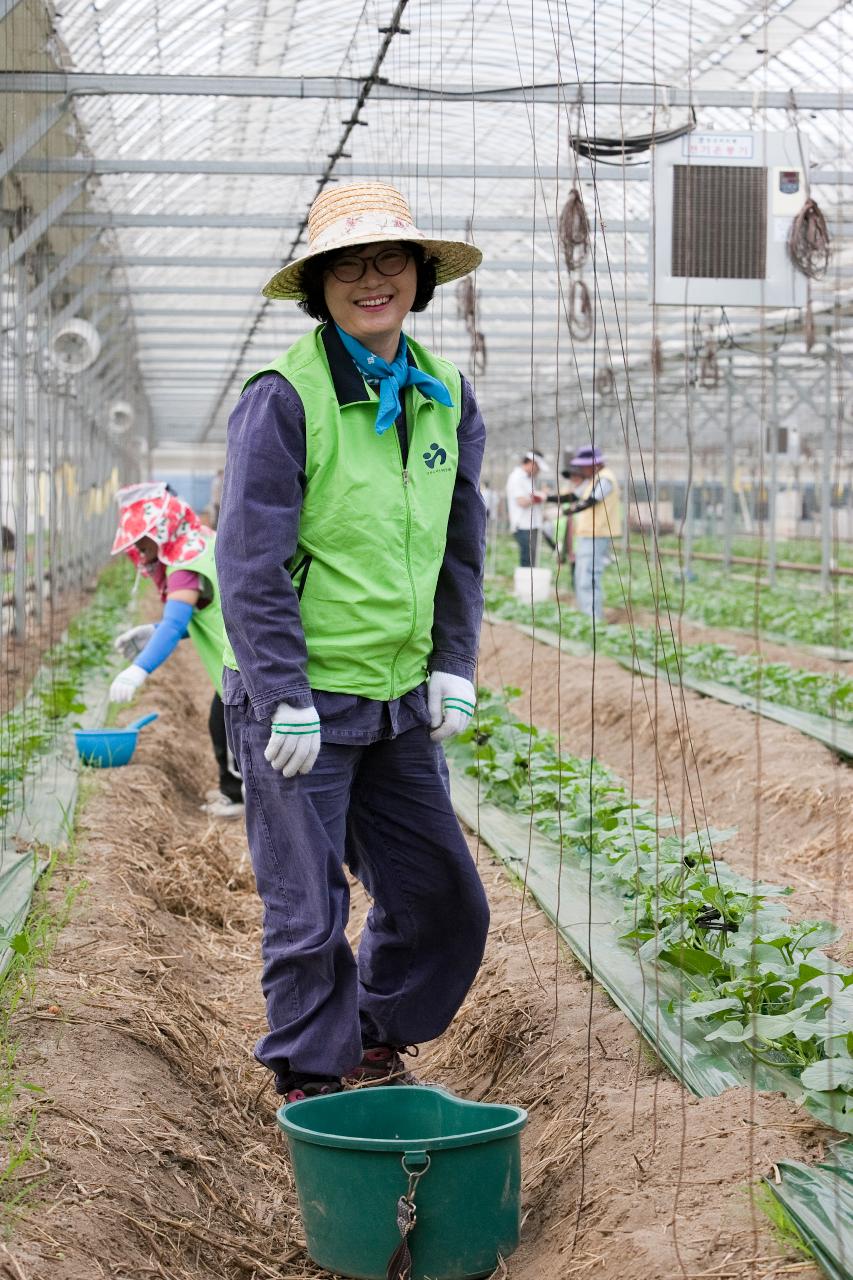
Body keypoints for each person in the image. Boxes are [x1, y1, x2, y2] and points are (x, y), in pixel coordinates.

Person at [215, 182, 490, 1104]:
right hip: (301, 702)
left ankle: (369, 1034)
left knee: (442, 902)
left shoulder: (446, 392)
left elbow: (461, 540)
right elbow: (248, 559)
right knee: (308, 911)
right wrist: (280, 688)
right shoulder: (283, 397)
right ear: (318, 287)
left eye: (388, 261)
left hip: (398, 698)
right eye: (347, 266)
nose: (371, 281)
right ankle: (309, 1076)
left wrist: (453, 663)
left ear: (418, 276)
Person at [109, 482, 244, 819]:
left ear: (161, 529)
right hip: (245, 650)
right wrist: (152, 631)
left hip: (239, 662)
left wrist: (139, 668)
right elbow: (201, 611)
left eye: (141, 538)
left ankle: (242, 795)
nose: (138, 548)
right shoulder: (197, 542)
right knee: (225, 722)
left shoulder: (184, 567)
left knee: (230, 727)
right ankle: (238, 791)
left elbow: (174, 624)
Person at [560, 446, 622, 620]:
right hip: (587, 535)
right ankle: (586, 616)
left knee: (589, 577)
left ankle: (593, 619)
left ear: (595, 464)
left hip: (597, 534)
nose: (582, 470)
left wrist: (570, 511)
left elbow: (592, 500)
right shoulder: (594, 479)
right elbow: (574, 496)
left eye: (584, 465)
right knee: (581, 576)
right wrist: (547, 499)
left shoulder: (606, 479)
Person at [505, 451, 548, 567]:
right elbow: (521, 501)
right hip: (523, 525)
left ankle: (528, 584)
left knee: (532, 559)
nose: (538, 472)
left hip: (531, 525)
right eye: (538, 468)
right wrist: (540, 497)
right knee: (527, 560)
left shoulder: (529, 479)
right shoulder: (516, 477)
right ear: (532, 463)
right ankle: (524, 584)